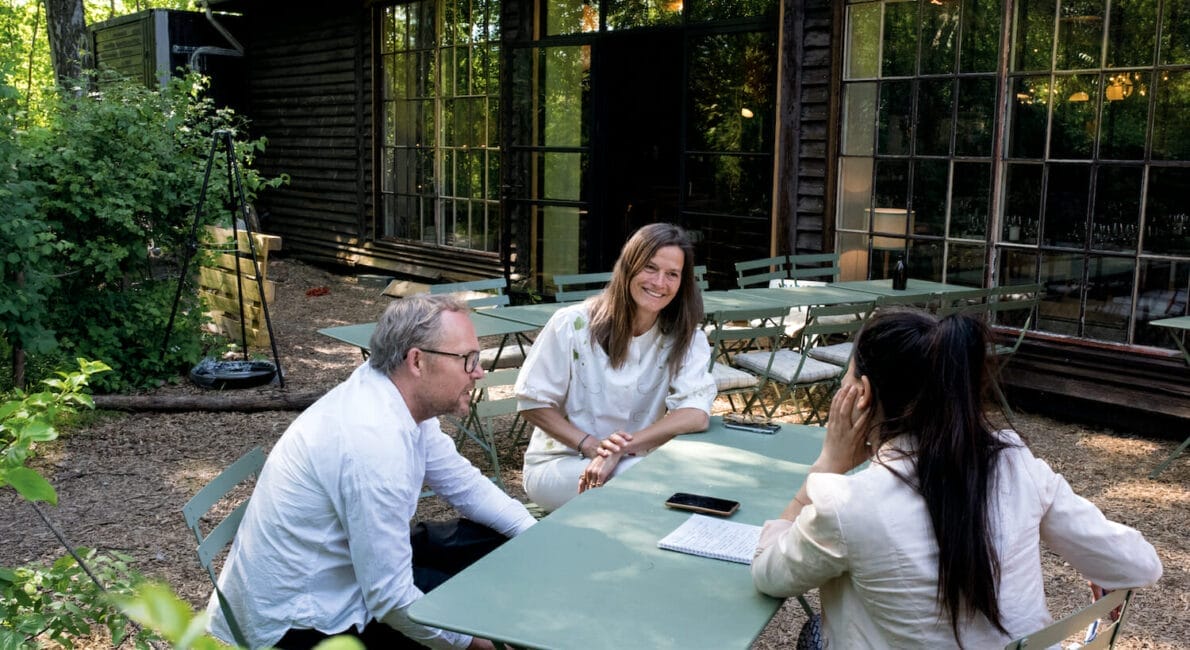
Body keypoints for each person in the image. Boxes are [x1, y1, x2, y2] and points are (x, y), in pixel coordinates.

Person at [751, 308, 1163, 648]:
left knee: (814, 635)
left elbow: (769, 573)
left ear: (862, 395)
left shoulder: (847, 503)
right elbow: (1139, 565)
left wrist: (825, 467)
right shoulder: (1015, 463)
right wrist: (1102, 566)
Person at [207, 294, 536, 649]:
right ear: (417, 361)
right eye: (468, 359)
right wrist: (469, 643)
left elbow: (465, 484)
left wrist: (536, 537)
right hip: (305, 622)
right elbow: (390, 599)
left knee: (494, 542)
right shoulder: (374, 441)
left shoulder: (394, 395)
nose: (478, 371)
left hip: (345, 574)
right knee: (460, 613)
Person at [516, 223, 717, 512]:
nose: (660, 282)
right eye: (650, 268)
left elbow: (696, 414)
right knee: (655, 487)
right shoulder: (572, 324)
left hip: (634, 461)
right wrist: (590, 445)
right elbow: (531, 402)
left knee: (679, 480)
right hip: (560, 464)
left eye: (672, 274)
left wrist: (622, 447)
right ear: (628, 267)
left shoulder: (685, 337)